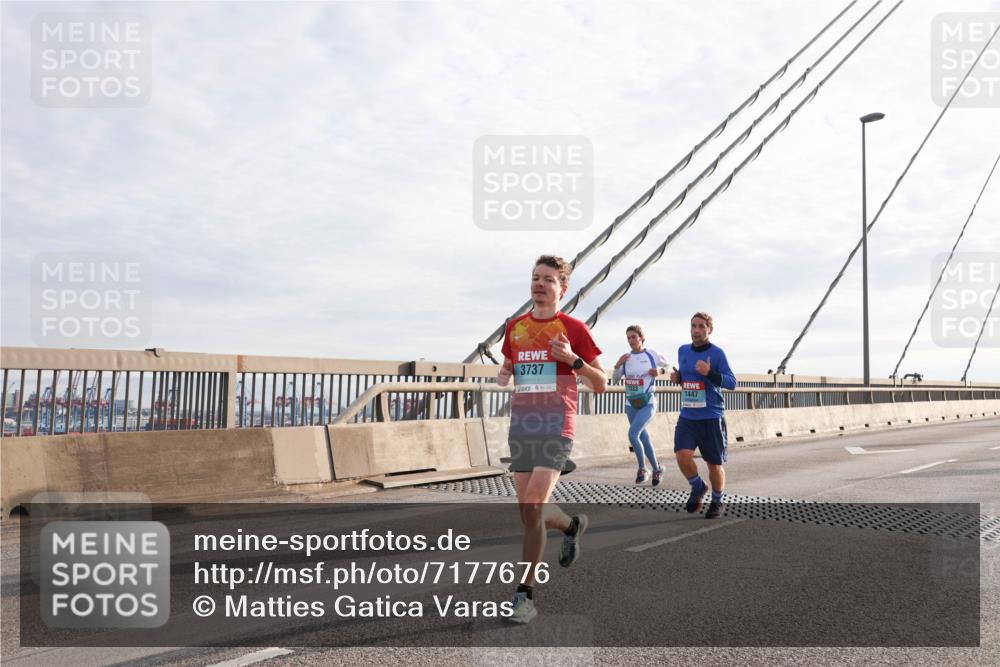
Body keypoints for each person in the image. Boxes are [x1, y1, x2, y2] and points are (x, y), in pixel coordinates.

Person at [497, 254, 607, 623]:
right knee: (529, 515)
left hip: (557, 425)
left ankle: (524, 596)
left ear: (563, 288)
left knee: (532, 508)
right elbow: (514, 367)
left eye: (548, 279)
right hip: (522, 426)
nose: (539, 284)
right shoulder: (514, 329)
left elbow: (601, 384)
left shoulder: (573, 328)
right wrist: (506, 371)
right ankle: (572, 526)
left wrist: (573, 360)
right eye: (535, 277)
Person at [669, 312, 736, 519]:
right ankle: (697, 486)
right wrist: (678, 378)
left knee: (714, 464)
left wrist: (710, 373)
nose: (696, 330)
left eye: (701, 326)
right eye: (693, 326)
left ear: (709, 330)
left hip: (711, 416)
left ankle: (717, 501)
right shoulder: (683, 351)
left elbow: (732, 383)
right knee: (682, 455)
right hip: (688, 416)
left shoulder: (717, 354)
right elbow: (687, 378)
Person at [612, 325, 668, 485]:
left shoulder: (652, 354)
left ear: (641, 338)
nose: (631, 340)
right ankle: (657, 469)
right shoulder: (626, 358)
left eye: (634, 337)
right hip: (631, 403)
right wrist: (617, 365)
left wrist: (660, 371)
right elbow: (615, 380)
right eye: (628, 338)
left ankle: (643, 469)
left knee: (633, 435)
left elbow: (669, 367)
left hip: (648, 402)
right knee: (643, 436)